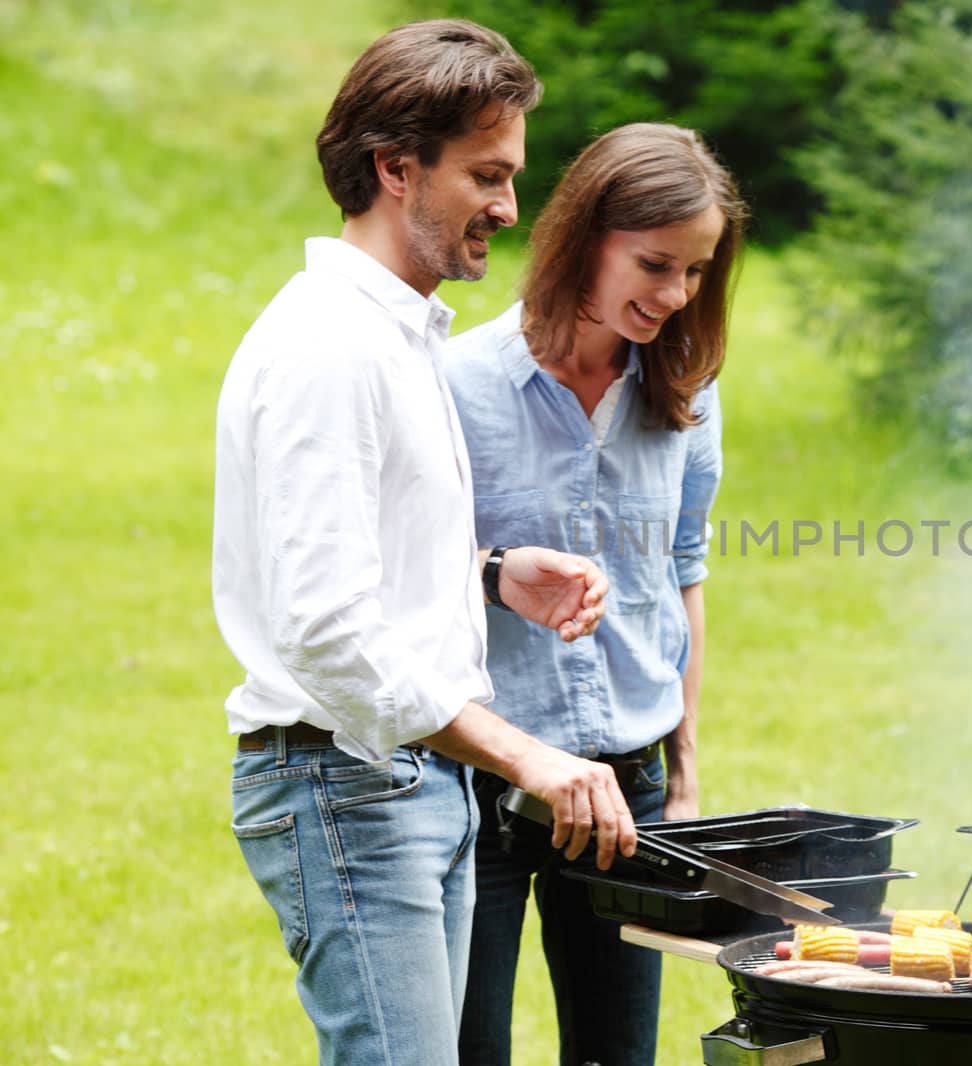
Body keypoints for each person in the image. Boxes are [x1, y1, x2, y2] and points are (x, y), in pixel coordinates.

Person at [212, 21, 638, 1065]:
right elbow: (324, 630)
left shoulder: (399, 334)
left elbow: (368, 561)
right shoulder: (330, 348)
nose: (508, 207)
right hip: (345, 782)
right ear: (395, 168)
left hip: (405, 780)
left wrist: (490, 574)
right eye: (486, 176)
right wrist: (528, 754)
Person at [446, 122, 748, 1066]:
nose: (674, 296)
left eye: (696, 273)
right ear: (586, 235)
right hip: (482, 779)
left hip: (629, 789)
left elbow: (681, 577)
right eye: (655, 264)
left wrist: (685, 770)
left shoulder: (686, 397)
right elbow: (410, 578)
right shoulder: (454, 386)